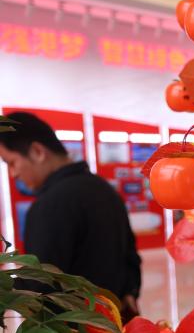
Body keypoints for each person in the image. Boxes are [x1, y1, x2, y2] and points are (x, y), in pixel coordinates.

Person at [0, 112, 140, 319]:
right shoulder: (103, 188)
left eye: (11, 162)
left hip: (74, 331)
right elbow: (130, 254)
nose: (13, 174)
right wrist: (130, 291)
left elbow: (40, 285)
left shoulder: (49, 204)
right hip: (115, 322)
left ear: (37, 152)